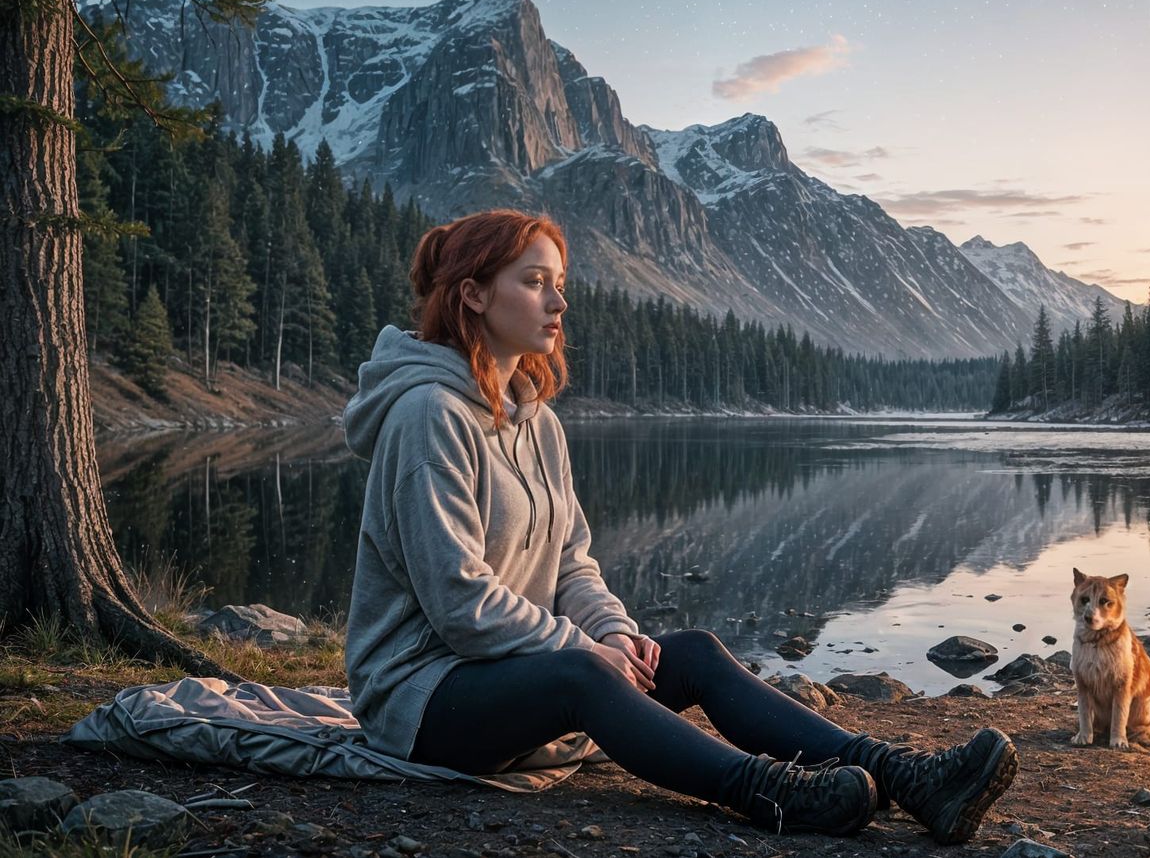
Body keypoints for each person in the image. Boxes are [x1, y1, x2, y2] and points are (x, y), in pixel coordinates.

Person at [341, 209, 1018, 840]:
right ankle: (767, 791)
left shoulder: (537, 422)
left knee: (688, 653)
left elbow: (573, 562)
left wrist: (612, 631)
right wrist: (582, 648)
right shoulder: (427, 415)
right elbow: (459, 602)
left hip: (515, 677)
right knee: (583, 676)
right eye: (535, 282)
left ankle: (909, 779)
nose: (559, 302)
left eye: (561, 283)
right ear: (474, 296)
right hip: (424, 702)